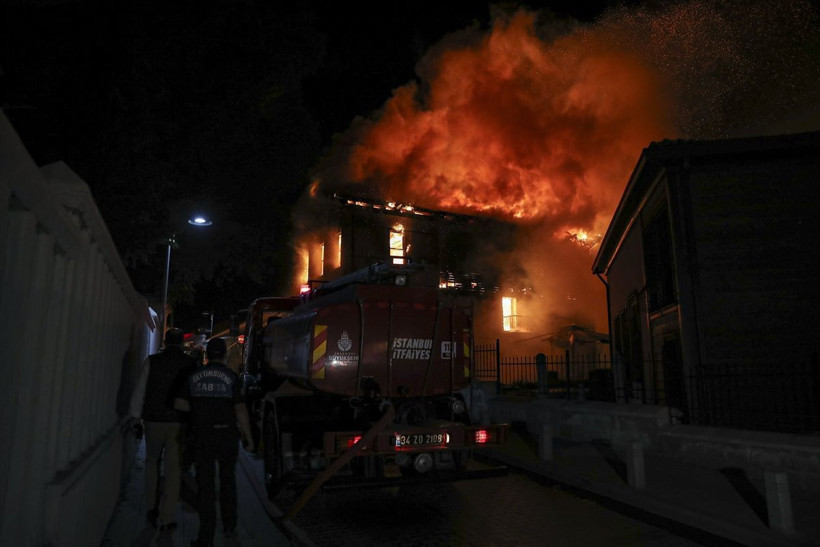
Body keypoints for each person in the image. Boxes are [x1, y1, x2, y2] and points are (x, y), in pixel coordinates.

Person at [175, 337, 255, 547]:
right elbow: (240, 410)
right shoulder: (231, 377)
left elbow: (179, 403)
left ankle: (206, 536)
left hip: (202, 437)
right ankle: (230, 526)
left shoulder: (195, 376)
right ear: (225, 355)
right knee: (228, 481)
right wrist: (248, 437)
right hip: (227, 437)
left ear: (207, 355)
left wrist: (199, 410)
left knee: (206, 486)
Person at [130, 327, 197, 532]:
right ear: (182, 344)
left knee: (151, 464)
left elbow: (140, 390)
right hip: (178, 423)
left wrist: (136, 418)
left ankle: (151, 508)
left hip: (153, 421)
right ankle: (167, 518)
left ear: (166, 342)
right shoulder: (190, 364)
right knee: (173, 470)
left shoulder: (152, 361)